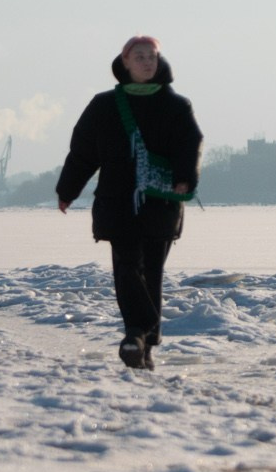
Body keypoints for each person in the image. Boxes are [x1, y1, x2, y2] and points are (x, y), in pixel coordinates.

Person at [57, 36, 202, 369]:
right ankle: (137, 334)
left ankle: (142, 343)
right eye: (139, 56)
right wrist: (68, 190)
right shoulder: (104, 105)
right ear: (124, 62)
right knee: (126, 267)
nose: (147, 62)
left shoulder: (176, 106)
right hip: (117, 200)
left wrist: (185, 177)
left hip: (160, 202)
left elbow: (189, 144)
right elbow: (82, 152)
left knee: (151, 270)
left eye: (151, 56)